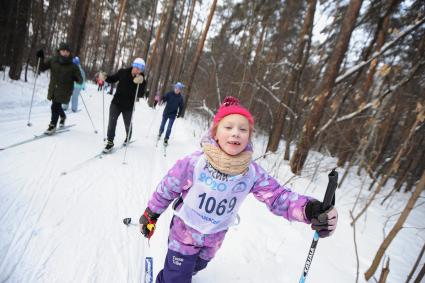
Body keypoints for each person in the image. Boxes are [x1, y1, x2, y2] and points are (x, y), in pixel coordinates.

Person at [139, 96, 338, 283]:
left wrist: (310, 209)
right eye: (228, 126)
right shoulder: (195, 163)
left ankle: (186, 270)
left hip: (213, 240)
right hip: (184, 233)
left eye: (243, 129)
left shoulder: (251, 172)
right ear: (215, 132)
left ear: (249, 137)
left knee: (197, 266)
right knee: (177, 276)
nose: (236, 132)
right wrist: (151, 213)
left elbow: (278, 197)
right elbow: (168, 187)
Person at [99, 57, 147, 153]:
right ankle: (110, 142)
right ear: (133, 65)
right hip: (116, 103)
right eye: (136, 66)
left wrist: (140, 84)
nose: (137, 69)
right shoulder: (123, 72)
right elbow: (112, 79)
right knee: (112, 122)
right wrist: (105, 77)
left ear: (142, 70)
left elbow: (141, 94)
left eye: (140, 68)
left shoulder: (142, 80)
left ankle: (128, 136)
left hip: (128, 107)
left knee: (128, 124)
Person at [36, 43, 83, 134]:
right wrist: (40, 58)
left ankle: (52, 125)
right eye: (63, 50)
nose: (65, 53)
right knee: (56, 105)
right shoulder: (53, 60)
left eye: (67, 51)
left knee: (55, 106)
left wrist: (77, 78)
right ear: (59, 51)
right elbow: (42, 68)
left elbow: (80, 80)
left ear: (69, 53)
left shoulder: (73, 66)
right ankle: (63, 116)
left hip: (65, 89)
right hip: (54, 88)